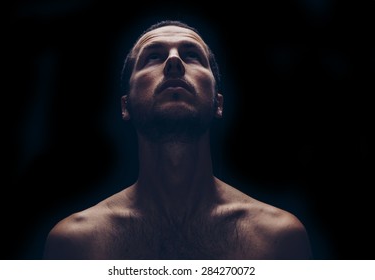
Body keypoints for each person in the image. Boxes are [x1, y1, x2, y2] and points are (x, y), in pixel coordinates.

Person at [43, 19, 312, 260]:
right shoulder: (76, 244)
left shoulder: (278, 238)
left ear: (218, 103)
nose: (174, 62)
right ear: (125, 106)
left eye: (192, 55)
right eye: (153, 56)